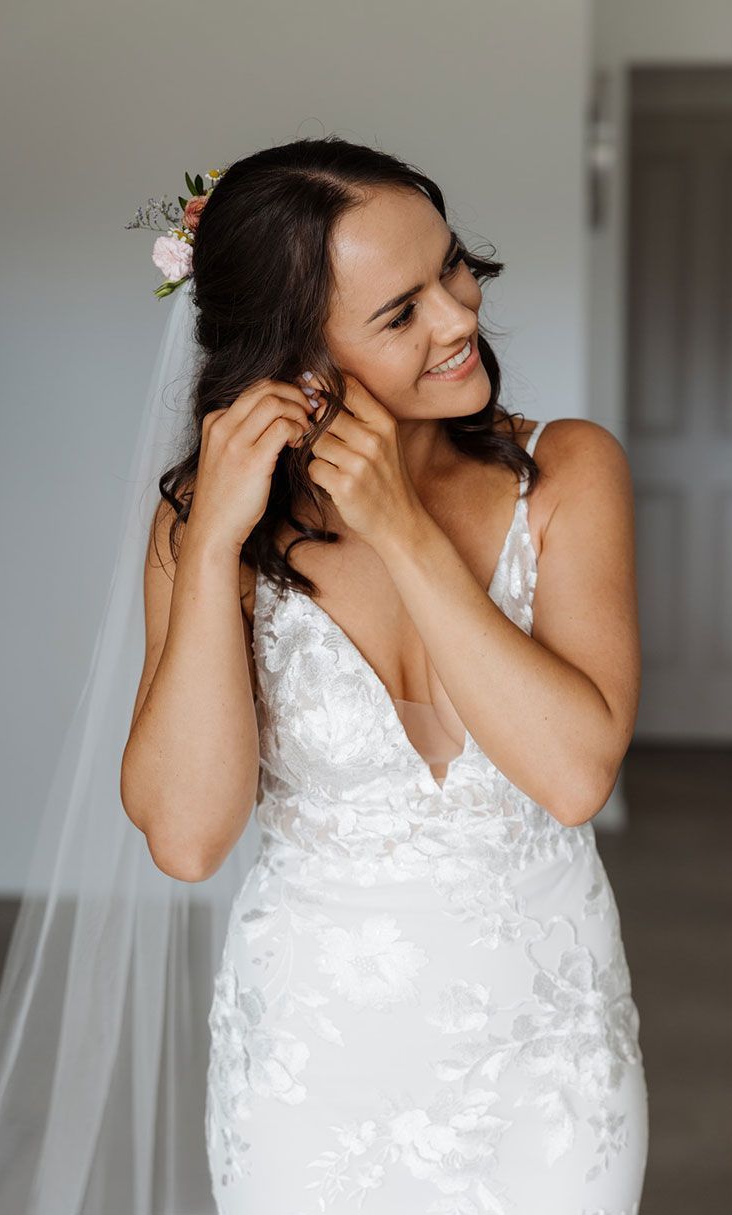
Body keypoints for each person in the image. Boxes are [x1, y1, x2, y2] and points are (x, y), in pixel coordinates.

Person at [120, 136, 648, 1213]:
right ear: (296, 361)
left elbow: (573, 778)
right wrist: (213, 547)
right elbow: (186, 838)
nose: (459, 319)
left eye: (452, 268)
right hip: (312, 1070)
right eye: (402, 313)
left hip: (549, 1064)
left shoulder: (570, 471)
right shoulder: (204, 536)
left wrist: (401, 528)